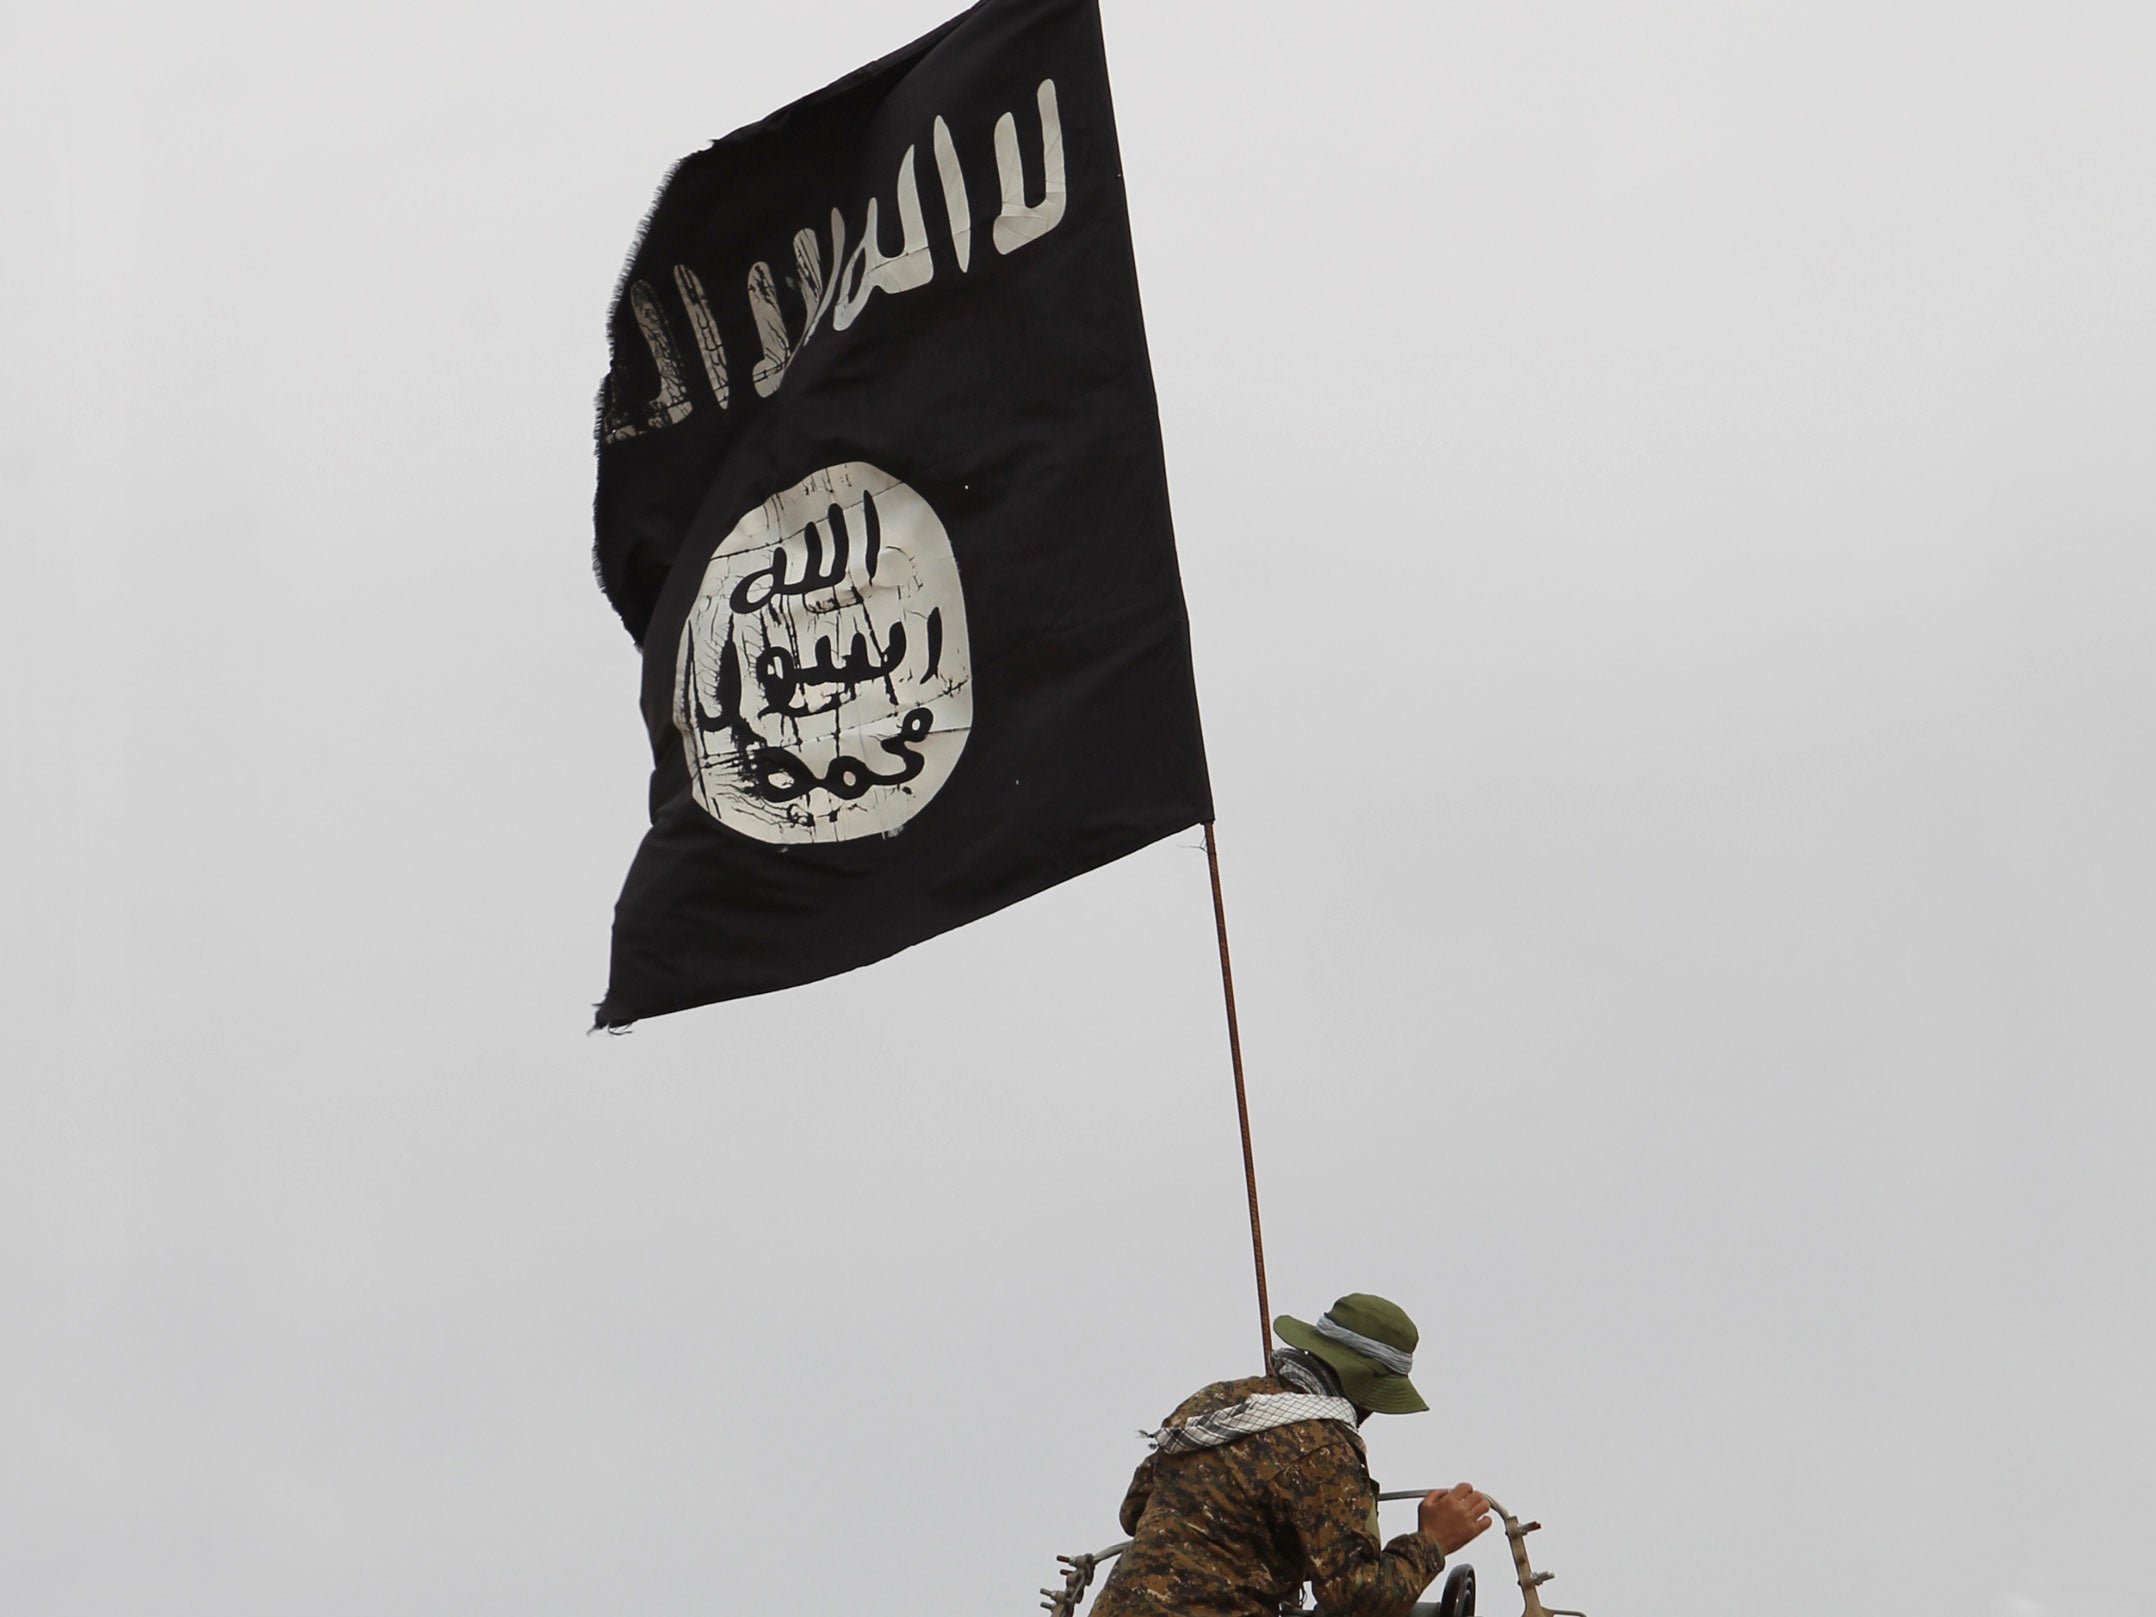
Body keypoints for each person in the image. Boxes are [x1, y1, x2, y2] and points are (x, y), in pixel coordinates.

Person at [1087, 1293, 1491, 1617]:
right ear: (1369, 1389)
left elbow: (1134, 1511)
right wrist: (1432, 1541)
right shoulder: (1327, 1453)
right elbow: (1356, 1599)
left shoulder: (1216, 1402)